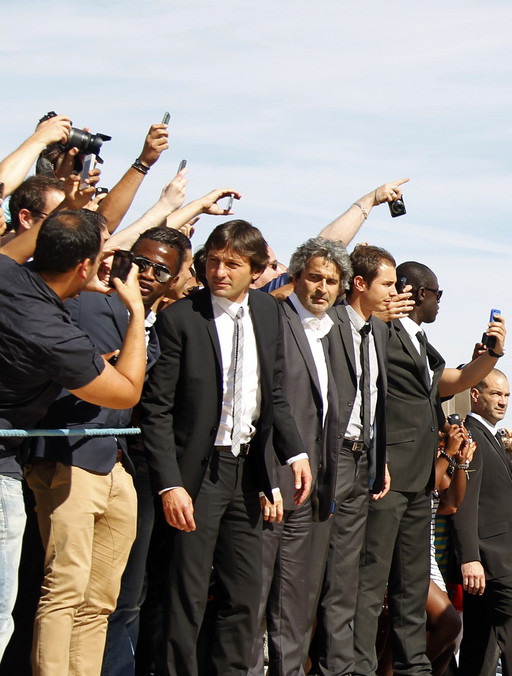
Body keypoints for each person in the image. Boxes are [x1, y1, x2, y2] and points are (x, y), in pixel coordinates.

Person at [139, 220, 313, 676]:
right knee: (186, 594)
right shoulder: (181, 318)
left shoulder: (269, 312)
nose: (219, 271)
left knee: (242, 595)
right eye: (213, 261)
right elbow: (155, 411)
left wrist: (294, 454)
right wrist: (170, 485)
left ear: (255, 270)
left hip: (247, 471)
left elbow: (273, 394)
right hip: (196, 475)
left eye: (232, 264)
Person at [26, 225, 189, 676]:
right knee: (65, 589)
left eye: (162, 269)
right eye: (142, 262)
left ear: (175, 279)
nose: (148, 273)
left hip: (118, 465)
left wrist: (138, 320)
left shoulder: (155, 320)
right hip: (72, 455)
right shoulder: (87, 303)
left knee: (101, 599)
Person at [0, 211, 149, 668]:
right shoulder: (54, 334)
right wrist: (136, 312)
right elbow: (127, 388)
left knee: (95, 600)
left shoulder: (6, 273)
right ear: (84, 266)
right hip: (6, 467)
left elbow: (16, 248)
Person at [352, 260, 506, 676]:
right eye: (437, 294)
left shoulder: (421, 341)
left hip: (421, 481)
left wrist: (492, 354)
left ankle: (412, 667)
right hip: (386, 474)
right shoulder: (378, 330)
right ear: (418, 293)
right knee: (372, 582)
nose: (440, 302)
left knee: (412, 582)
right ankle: (360, 668)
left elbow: (452, 382)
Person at [251, 238, 351, 676]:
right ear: (295, 278)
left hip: (311, 491)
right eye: (314, 277)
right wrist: (265, 475)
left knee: (295, 603)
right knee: (253, 599)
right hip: (269, 480)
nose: (322, 288)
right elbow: (265, 402)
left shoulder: (332, 335)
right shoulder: (275, 318)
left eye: (331, 281)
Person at [310, 243, 396, 676]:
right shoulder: (328, 324)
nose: (394, 292)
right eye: (388, 284)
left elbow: (376, 401)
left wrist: (378, 456)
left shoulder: (380, 333)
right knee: (311, 573)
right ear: (360, 284)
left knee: (345, 579)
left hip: (363, 463)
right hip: (328, 459)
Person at [452, 369, 512, 676]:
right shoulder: (472, 435)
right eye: (495, 394)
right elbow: (464, 501)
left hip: (502, 556)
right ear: (475, 395)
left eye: (506, 395)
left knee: (481, 644)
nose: (502, 401)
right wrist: (470, 557)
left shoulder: (490, 436)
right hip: (492, 558)